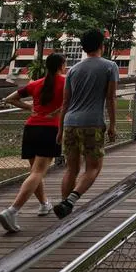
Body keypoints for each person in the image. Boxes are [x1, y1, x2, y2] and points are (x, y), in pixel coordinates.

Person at [0, 52, 66, 233]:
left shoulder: (35, 84)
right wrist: (57, 112)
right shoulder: (65, 82)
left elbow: (10, 98)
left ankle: (44, 204)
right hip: (50, 130)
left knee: (35, 172)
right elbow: (70, 103)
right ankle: (12, 210)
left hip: (31, 128)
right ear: (62, 65)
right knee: (37, 172)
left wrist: (30, 107)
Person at [53, 29, 118, 219]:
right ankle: (70, 201)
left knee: (71, 169)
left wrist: (60, 129)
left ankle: (65, 208)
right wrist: (112, 125)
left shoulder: (73, 70)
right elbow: (111, 98)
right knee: (93, 168)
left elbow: (66, 102)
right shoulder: (110, 66)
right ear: (101, 45)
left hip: (70, 123)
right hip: (92, 123)